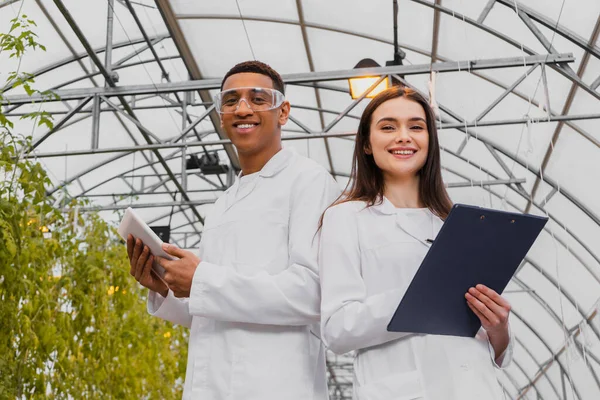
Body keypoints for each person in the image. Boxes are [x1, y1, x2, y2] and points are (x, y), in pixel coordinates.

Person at [127, 60, 339, 400]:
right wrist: (167, 287)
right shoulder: (222, 204)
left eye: (257, 99)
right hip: (210, 385)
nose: (242, 109)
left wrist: (202, 280)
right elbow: (213, 310)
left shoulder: (308, 181)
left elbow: (311, 292)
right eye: (230, 100)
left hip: (276, 386)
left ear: (283, 112)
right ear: (221, 115)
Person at [318, 86, 512, 400]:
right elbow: (337, 330)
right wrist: (420, 296)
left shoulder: (457, 223)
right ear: (367, 144)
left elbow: (486, 342)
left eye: (416, 127)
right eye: (388, 127)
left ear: (429, 141)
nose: (404, 136)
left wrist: (498, 328)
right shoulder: (345, 218)